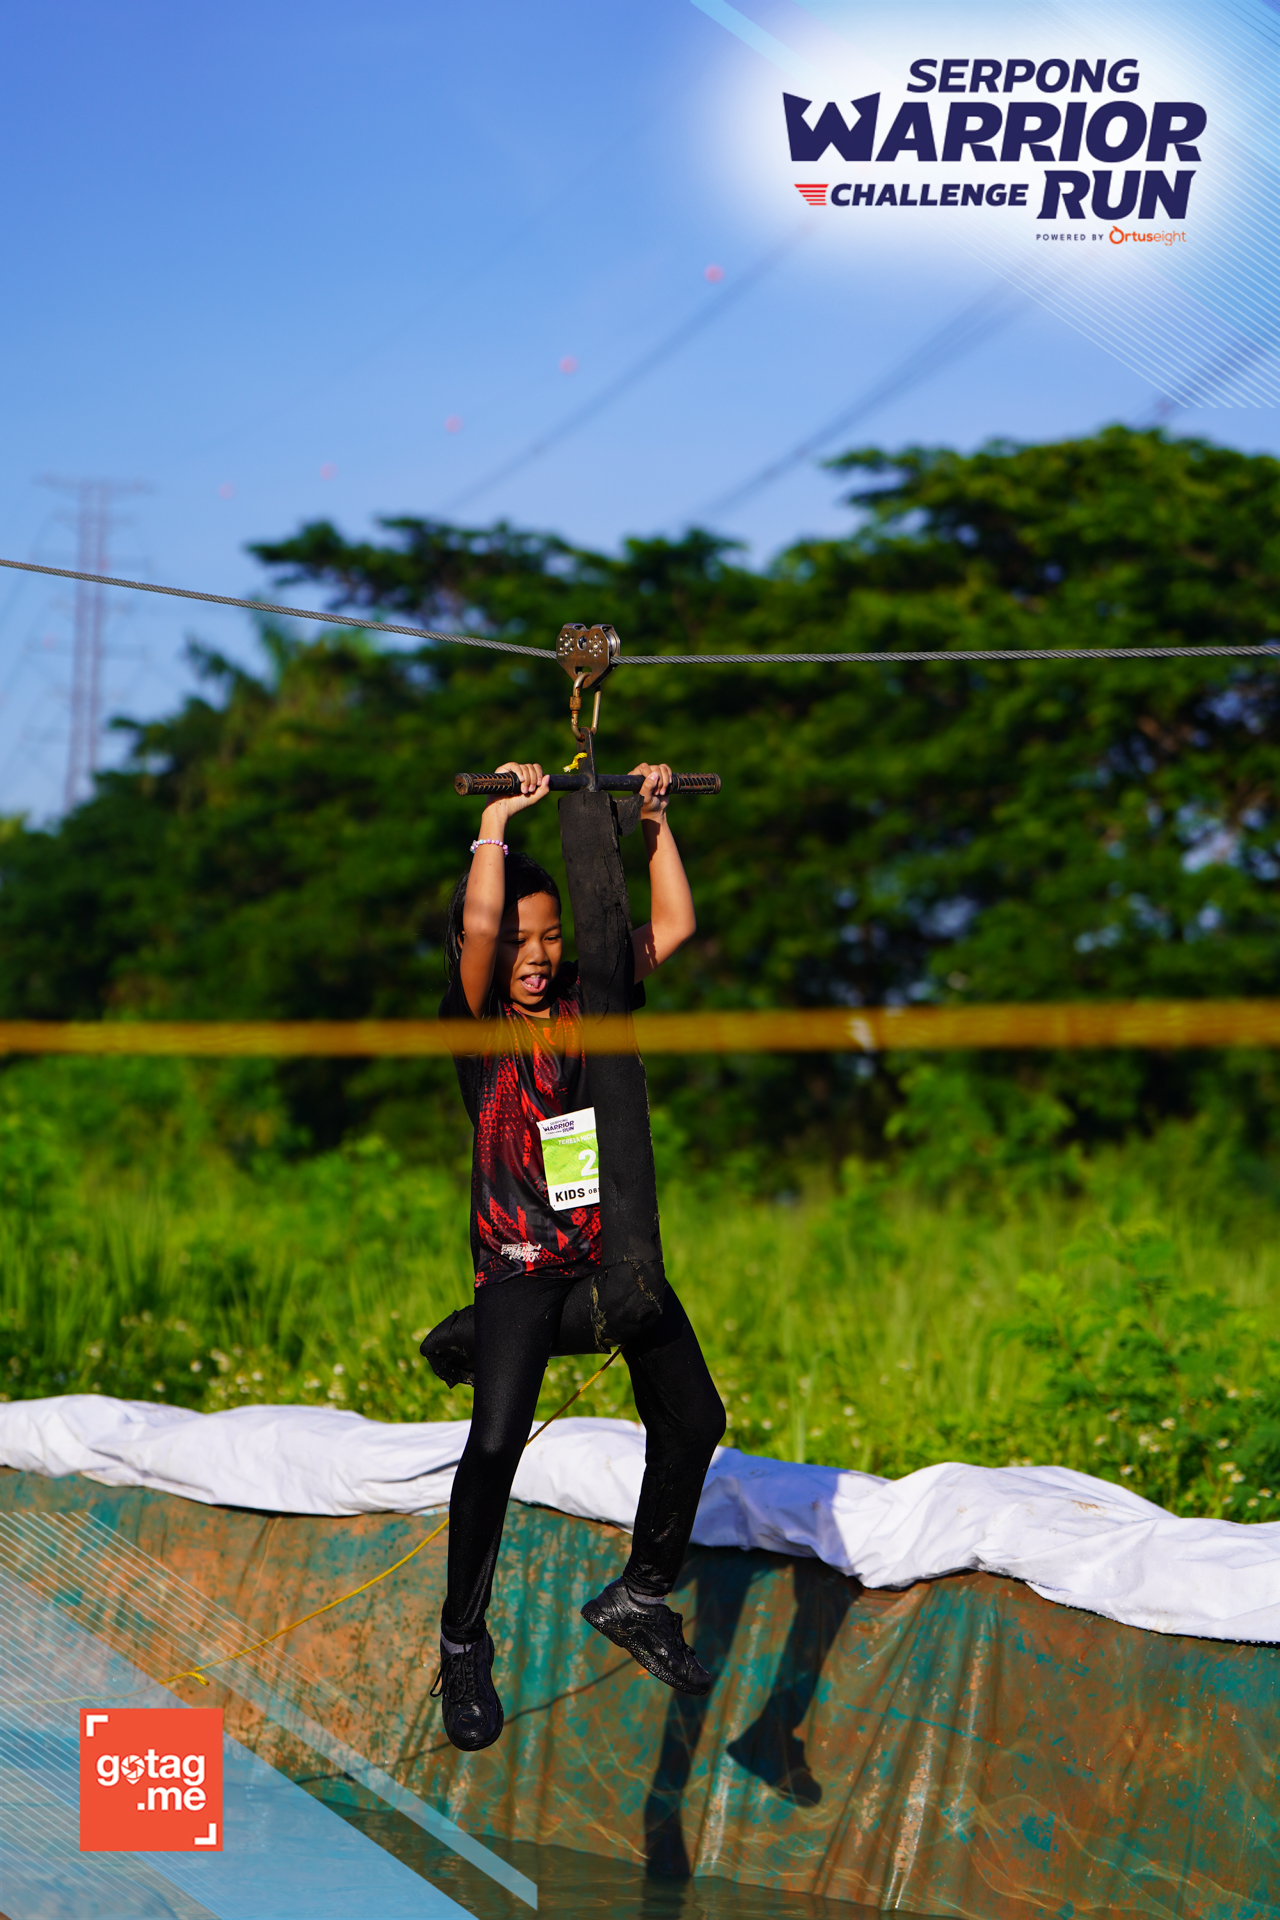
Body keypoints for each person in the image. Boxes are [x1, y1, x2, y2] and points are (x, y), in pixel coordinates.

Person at [433, 759, 726, 1752]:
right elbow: (480, 928)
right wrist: (496, 823)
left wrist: (654, 824)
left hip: (609, 1253)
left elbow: (672, 926)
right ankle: (462, 1642)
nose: (536, 954)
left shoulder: (588, 998)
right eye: (520, 941)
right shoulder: (476, 1023)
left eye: (550, 935)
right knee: (495, 1444)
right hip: (520, 1258)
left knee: (695, 1417)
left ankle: (640, 1596)